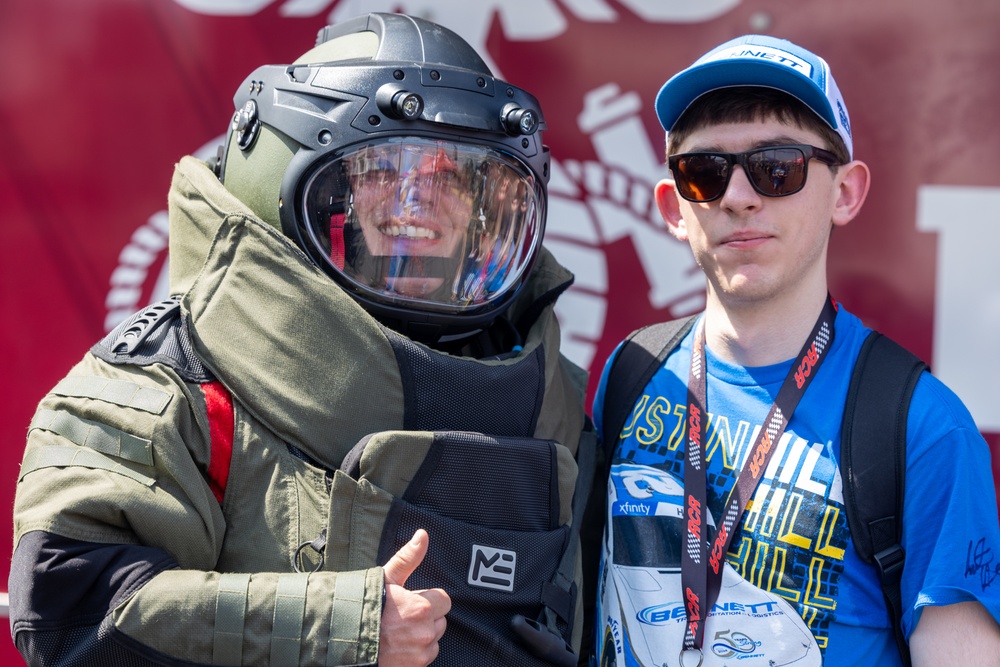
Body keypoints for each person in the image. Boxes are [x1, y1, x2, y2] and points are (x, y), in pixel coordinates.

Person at [9, 12, 596, 667]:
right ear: (292, 187)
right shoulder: (166, 389)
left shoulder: (550, 397)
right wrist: (344, 625)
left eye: (455, 178)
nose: (418, 202)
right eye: (382, 170)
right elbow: (70, 607)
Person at [591, 34, 1000, 667]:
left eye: (777, 167)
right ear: (674, 207)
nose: (738, 196)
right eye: (705, 172)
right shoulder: (630, 371)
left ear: (845, 192)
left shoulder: (924, 429)